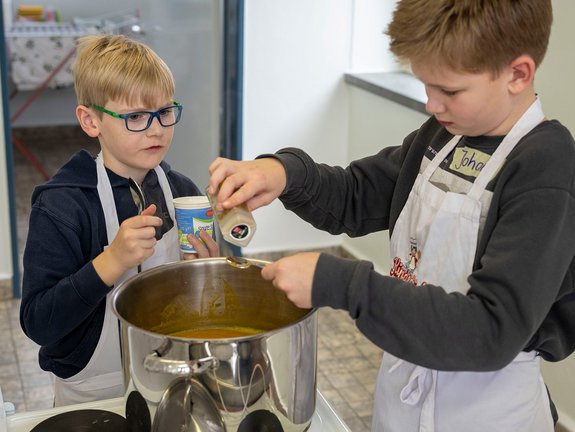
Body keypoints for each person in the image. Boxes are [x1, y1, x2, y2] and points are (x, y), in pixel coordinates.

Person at [208, 1, 575, 430]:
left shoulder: (546, 168)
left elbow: (490, 328)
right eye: (425, 85)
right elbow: (356, 197)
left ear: (517, 74)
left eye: (449, 91)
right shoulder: (443, 137)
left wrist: (341, 283)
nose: (431, 104)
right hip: (404, 385)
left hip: (487, 407)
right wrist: (284, 173)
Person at [19, 34, 219, 406]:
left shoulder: (182, 193)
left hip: (171, 375)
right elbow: (38, 322)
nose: (157, 128)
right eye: (137, 117)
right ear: (91, 121)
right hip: (93, 392)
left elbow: (204, 304)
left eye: (165, 112)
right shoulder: (63, 206)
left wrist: (203, 271)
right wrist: (110, 262)